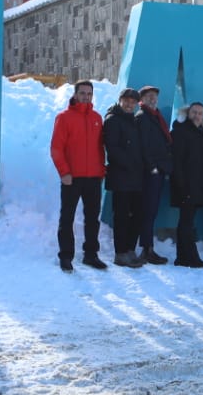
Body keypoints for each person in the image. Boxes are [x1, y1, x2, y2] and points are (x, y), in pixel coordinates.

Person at [49, 79, 107, 272]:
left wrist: (101, 170)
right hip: (71, 178)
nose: (85, 97)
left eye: (89, 94)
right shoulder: (64, 118)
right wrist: (64, 172)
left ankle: (91, 255)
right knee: (67, 218)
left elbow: (100, 148)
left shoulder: (97, 118)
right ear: (75, 94)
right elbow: (56, 148)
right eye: (82, 93)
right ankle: (66, 256)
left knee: (92, 219)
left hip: (93, 178)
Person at [103, 88, 148, 267]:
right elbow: (113, 149)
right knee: (121, 216)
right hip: (121, 176)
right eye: (126, 101)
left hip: (135, 177)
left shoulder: (133, 120)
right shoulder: (113, 120)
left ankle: (130, 249)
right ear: (120, 100)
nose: (130, 104)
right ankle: (120, 253)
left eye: (133, 102)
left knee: (137, 214)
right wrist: (132, 164)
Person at [169, 102, 203, 267]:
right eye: (194, 112)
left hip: (196, 185)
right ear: (188, 113)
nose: (197, 116)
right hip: (186, 186)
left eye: (200, 113)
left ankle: (182, 257)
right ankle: (191, 257)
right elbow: (177, 162)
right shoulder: (181, 132)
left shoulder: (199, 134)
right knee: (187, 222)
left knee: (186, 221)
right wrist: (181, 186)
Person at [136, 84, 173, 264]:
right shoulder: (143, 117)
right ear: (142, 100)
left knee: (151, 211)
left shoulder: (155, 116)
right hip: (150, 172)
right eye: (149, 96)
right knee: (148, 211)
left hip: (158, 170)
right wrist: (152, 167)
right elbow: (143, 145)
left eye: (154, 96)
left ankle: (148, 248)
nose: (153, 99)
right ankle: (146, 249)